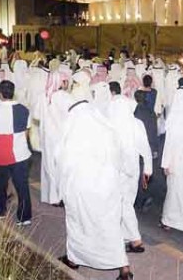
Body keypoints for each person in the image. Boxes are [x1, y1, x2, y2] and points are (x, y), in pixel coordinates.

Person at [55, 97, 133, 280]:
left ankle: (73, 260)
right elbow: (119, 158)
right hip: (107, 188)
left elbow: (61, 162)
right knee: (110, 227)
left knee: (78, 225)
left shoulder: (72, 133)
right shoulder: (107, 129)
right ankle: (124, 269)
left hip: (81, 189)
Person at [107, 82, 153, 253]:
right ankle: (125, 237)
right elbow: (146, 149)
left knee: (122, 205)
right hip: (133, 170)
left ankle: (135, 239)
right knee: (126, 203)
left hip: (117, 170)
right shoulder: (137, 123)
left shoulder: (111, 125)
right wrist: (147, 171)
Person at [0, 80, 32, 225]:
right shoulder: (24, 110)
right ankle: (25, 217)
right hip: (21, 155)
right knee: (22, 187)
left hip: (0, 156)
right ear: (13, 92)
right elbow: (26, 133)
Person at [160, 81, 183, 233]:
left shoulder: (175, 118)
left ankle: (170, 220)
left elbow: (169, 143)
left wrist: (165, 163)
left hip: (176, 161)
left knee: (175, 191)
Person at [38, 70, 73, 206]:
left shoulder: (43, 96)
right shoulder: (65, 97)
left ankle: (51, 197)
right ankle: (60, 197)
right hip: (61, 137)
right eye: (65, 81)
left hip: (47, 137)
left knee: (49, 166)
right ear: (61, 82)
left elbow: (36, 115)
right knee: (61, 167)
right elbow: (74, 114)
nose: (67, 84)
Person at [133, 90, 158, 209]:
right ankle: (145, 196)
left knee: (137, 173)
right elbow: (154, 130)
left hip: (138, 147)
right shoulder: (151, 112)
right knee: (146, 173)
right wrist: (155, 147)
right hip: (150, 145)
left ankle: (138, 199)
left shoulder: (134, 112)